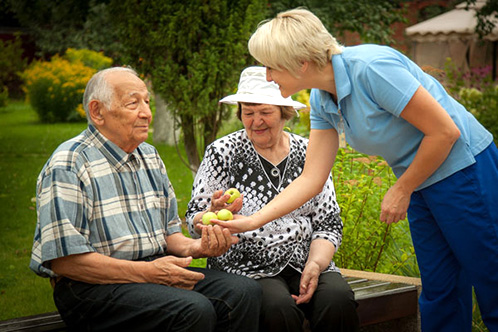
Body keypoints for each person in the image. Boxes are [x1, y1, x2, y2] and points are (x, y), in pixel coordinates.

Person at [210, 8, 498, 332]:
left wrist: (402, 189)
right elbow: (311, 178)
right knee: (440, 289)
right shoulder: (322, 99)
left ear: (300, 62)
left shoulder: (372, 68)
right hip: (419, 179)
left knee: (491, 279)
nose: (267, 77)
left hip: (463, 170)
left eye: (271, 66)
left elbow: (445, 132)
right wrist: (252, 220)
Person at [29, 67, 262, 332]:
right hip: (89, 287)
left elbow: (169, 236)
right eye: (133, 103)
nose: (146, 113)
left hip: (152, 271)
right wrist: (149, 273)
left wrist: (199, 248)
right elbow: (66, 261)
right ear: (97, 112)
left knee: (244, 292)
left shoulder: (149, 155)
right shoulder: (69, 163)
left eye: (147, 102)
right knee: (193, 310)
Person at [186, 66, 359, 332]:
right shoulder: (223, 152)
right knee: (277, 309)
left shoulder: (308, 152)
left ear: (284, 113)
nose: (256, 121)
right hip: (246, 265)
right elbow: (193, 218)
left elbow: (329, 222)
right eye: (248, 113)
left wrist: (315, 264)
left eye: (265, 112)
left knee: (337, 299)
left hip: (307, 258)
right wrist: (211, 212)